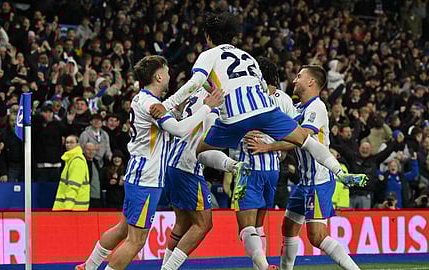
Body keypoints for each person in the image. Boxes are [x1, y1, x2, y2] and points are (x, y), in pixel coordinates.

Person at [150, 12, 367, 204]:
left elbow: (196, 82)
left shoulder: (209, 55)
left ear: (208, 37)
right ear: (233, 37)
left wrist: (166, 104)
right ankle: (340, 172)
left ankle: (235, 167)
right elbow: (263, 86)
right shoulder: (249, 57)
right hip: (265, 111)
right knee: (306, 140)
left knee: (200, 151)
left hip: (234, 117)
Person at [76, 55, 222, 270]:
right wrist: (207, 107)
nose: (170, 76)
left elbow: (167, 109)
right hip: (147, 178)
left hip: (138, 172)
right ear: (159, 76)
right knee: (136, 241)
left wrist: (178, 106)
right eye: (167, 72)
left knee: (122, 229)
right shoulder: (151, 104)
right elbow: (180, 130)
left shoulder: (142, 99)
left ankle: (88, 267)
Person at [247, 66, 360, 270]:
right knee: (288, 227)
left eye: (300, 76)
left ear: (311, 82)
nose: (295, 79)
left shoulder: (316, 107)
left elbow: (302, 139)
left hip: (319, 181)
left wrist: (268, 146)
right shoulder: (299, 108)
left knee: (317, 236)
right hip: (305, 182)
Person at [225, 56, 297, 270]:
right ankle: (262, 267)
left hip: (249, 169)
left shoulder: (246, 97)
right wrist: (273, 147)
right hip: (272, 170)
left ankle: (265, 268)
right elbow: (296, 139)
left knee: (246, 228)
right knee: (258, 226)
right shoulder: (284, 99)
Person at [160, 88, 219, 270]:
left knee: (183, 221)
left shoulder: (195, 92)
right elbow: (209, 141)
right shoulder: (217, 99)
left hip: (172, 162)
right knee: (204, 223)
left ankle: (165, 267)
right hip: (188, 166)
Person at [53, 135, 90, 211]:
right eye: (67, 142)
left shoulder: (77, 161)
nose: (68, 145)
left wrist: (68, 207)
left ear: (78, 144)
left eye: (71, 142)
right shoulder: (70, 159)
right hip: (69, 207)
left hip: (74, 208)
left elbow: (74, 186)